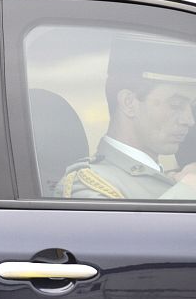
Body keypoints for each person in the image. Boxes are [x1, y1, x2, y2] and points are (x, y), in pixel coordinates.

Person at [56, 36, 196, 199]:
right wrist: (187, 190)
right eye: (176, 105)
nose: (190, 120)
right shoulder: (88, 185)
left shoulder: (172, 177)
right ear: (129, 103)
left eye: (192, 107)